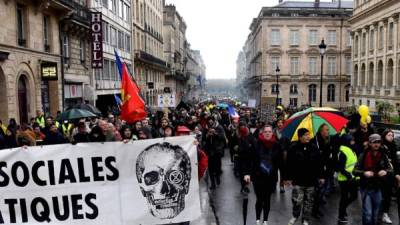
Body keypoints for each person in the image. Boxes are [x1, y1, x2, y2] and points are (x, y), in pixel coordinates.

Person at [285, 128, 324, 225]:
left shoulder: (314, 148)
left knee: (309, 202)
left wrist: (321, 176)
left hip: (311, 180)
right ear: (300, 137)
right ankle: (295, 215)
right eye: (306, 135)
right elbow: (288, 164)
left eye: (308, 135)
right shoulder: (293, 148)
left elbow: (319, 164)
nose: (308, 137)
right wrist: (287, 178)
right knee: (297, 201)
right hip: (298, 180)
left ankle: (306, 219)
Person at [243, 125, 281, 225]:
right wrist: (247, 173)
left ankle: (265, 220)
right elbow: (249, 159)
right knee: (259, 199)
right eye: (266, 132)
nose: (268, 133)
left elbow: (280, 162)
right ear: (262, 133)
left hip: (271, 177)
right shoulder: (256, 144)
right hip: (258, 176)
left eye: (269, 131)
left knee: (267, 199)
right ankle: (257, 219)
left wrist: (285, 177)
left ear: (272, 133)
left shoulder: (277, 145)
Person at [353, 134, 392, 225]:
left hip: (378, 188)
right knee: (368, 214)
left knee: (375, 214)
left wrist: (385, 171)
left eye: (378, 142)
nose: (377, 144)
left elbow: (390, 169)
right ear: (370, 143)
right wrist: (364, 173)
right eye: (374, 142)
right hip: (366, 188)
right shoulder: (363, 155)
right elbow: (354, 171)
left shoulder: (383, 155)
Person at [337, 134, 359, 223]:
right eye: (351, 141)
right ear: (346, 141)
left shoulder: (351, 149)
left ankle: (342, 209)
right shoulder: (343, 152)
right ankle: (341, 215)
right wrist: (349, 176)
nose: (353, 142)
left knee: (354, 196)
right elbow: (341, 168)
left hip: (352, 179)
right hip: (344, 180)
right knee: (344, 198)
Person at [203, 117, 226, 189]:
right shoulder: (206, 128)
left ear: (213, 121)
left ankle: (217, 177)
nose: (210, 123)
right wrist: (207, 135)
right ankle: (213, 183)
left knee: (217, 167)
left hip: (217, 150)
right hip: (209, 151)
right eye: (209, 122)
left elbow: (223, 138)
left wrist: (215, 133)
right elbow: (203, 139)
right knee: (210, 168)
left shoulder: (219, 127)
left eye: (211, 122)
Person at [380, 129, 397, 224]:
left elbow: (395, 161)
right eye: (389, 135)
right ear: (384, 136)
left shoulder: (393, 146)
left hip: (391, 174)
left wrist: (397, 173)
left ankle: (385, 214)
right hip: (382, 175)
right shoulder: (381, 147)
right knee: (381, 194)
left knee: (388, 195)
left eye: (392, 135)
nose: (391, 137)